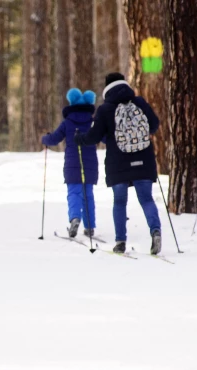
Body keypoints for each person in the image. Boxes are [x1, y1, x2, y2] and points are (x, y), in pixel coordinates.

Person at [74, 72, 161, 254]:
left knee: (120, 202)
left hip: (118, 162)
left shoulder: (105, 109)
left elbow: (94, 136)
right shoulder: (140, 103)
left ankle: (120, 241)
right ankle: (155, 231)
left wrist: (79, 139)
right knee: (146, 198)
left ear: (107, 88)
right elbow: (154, 125)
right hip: (143, 159)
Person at [43, 88, 98, 238]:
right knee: (88, 195)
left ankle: (75, 218)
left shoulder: (68, 122)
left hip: (72, 163)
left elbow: (54, 138)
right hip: (90, 164)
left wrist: (45, 139)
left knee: (74, 192)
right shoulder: (92, 122)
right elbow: (103, 137)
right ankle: (90, 227)